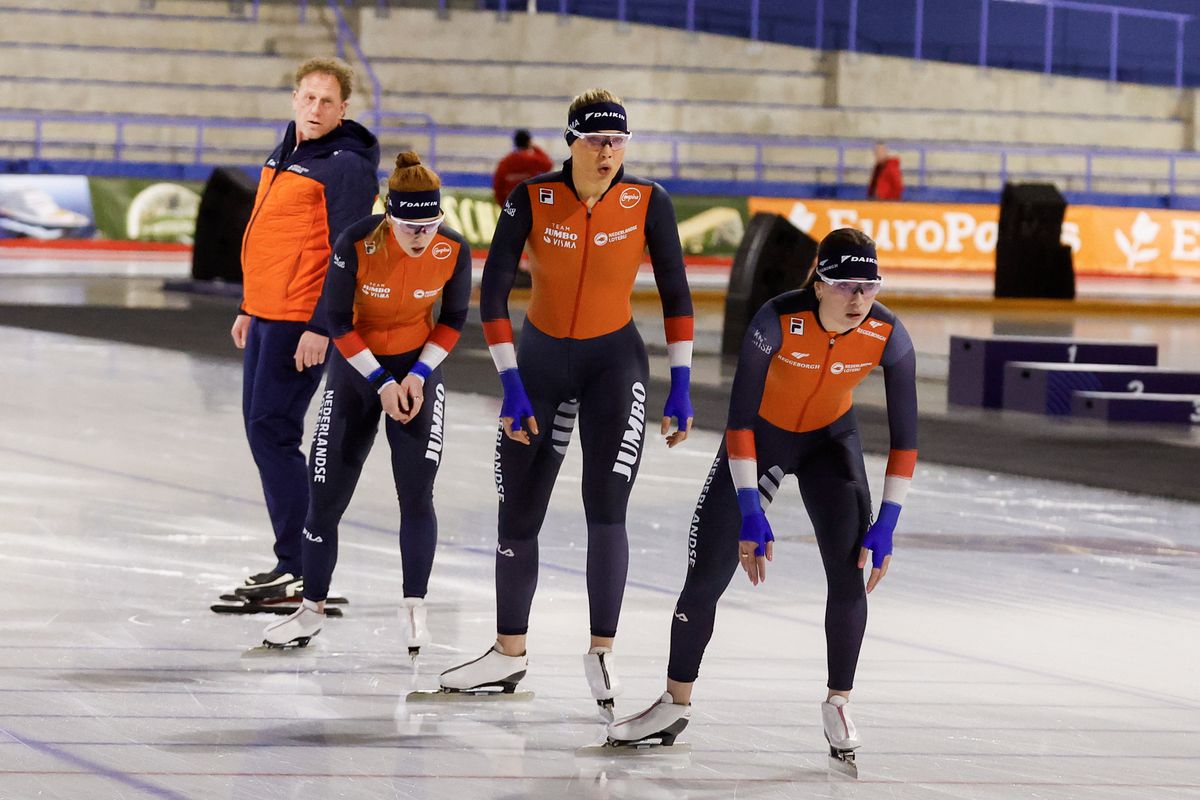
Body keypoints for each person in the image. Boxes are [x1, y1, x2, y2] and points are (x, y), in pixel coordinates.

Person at [608, 228, 918, 770]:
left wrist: (888, 520)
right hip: (762, 438)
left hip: (831, 446)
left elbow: (906, 440)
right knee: (705, 577)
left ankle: (839, 702)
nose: (858, 299)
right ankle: (674, 701)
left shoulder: (889, 334)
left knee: (850, 572)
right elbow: (740, 424)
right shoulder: (775, 320)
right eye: (846, 285)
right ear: (819, 283)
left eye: (868, 286)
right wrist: (751, 510)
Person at [437, 89, 695, 719]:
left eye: (619, 142)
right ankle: (508, 651)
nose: (609, 153)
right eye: (597, 141)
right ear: (572, 142)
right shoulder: (531, 197)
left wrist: (681, 384)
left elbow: (677, 298)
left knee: (606, 505)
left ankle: (601, 649)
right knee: (518, 511)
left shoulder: (648, 202)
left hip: (616, 365)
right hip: (541, 367)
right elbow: (491, 297)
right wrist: (512, 385)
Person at [261, 152, 473, 652]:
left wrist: (418, 375)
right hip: (359, 372)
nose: (420, 235)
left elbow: (453, 318)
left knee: (417, 495)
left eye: (429, 224)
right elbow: (337, 321)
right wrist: (380, 380)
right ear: (386, 212)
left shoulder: (453, 249)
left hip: (417, 372)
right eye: (408, 225)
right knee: (325, 497)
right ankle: (311, 609)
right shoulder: (356, 242)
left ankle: (415, 609)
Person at [229, 57, 380, 601]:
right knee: (262, 429)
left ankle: (300, 563)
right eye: (308, 97)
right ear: (295, 98)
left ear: (343, 109)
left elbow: (348, 249)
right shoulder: (289, 147)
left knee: (273, 430)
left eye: (326, 101)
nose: (315, 109)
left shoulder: (345, 165)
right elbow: (272, 235)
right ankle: (293, 558)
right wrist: (248, 304)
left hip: (300, 321)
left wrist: (322, 326)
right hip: (267, 312)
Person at [492, 129, 554, 207]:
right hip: (530, 204)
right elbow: (548, 165)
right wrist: (534, 147)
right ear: (528, 142)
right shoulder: (533, 160)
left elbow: (498, 186)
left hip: (512, 205)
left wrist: (504, 205)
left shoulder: (505, 162)